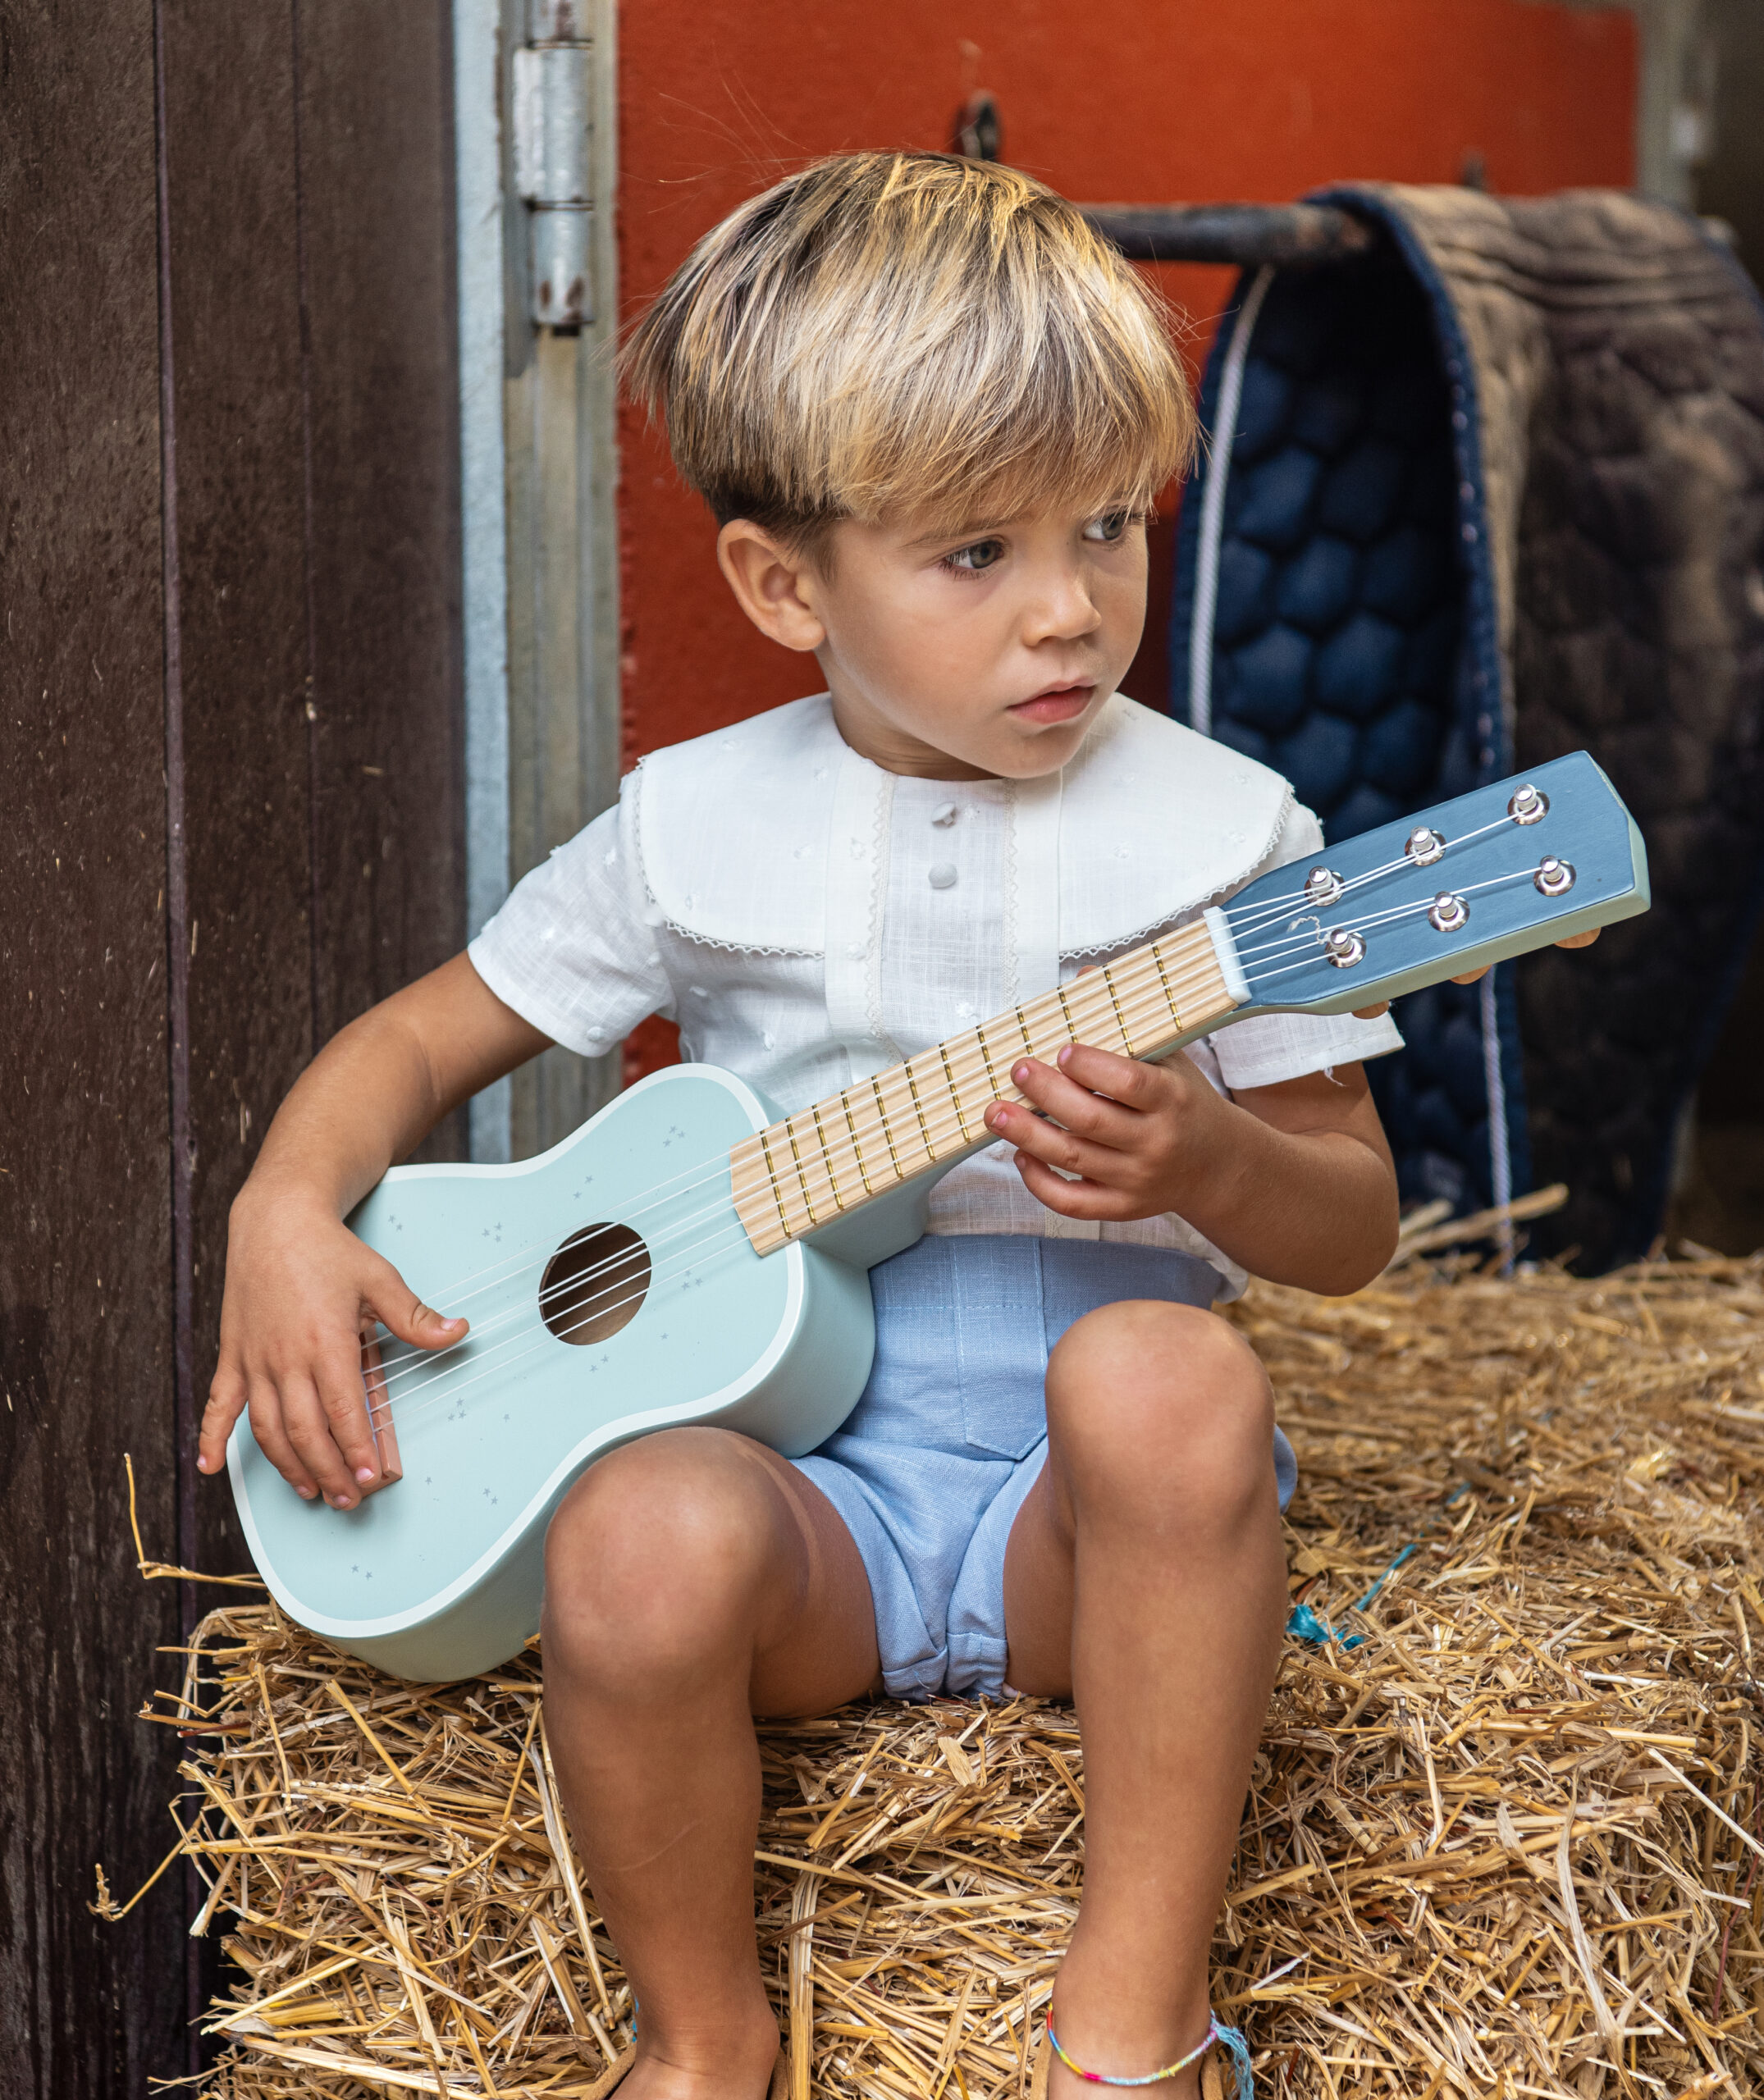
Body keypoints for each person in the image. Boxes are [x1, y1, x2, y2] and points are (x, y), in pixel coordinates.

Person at [197, 152, 1597, 2098]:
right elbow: (415, 1044)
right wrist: (284, 1202)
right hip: (811, 1511)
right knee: (628, 1527)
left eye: (1110, 527)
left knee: (1166, 1373)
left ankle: (1133, 2022)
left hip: (1077, 1533)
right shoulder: (695, 822)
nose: (1069, 615)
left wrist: (1204, 1164)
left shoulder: (1229, 839)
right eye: (975, 555)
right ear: (786, 584)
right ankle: (701, 2039)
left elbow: (1352, 1217)